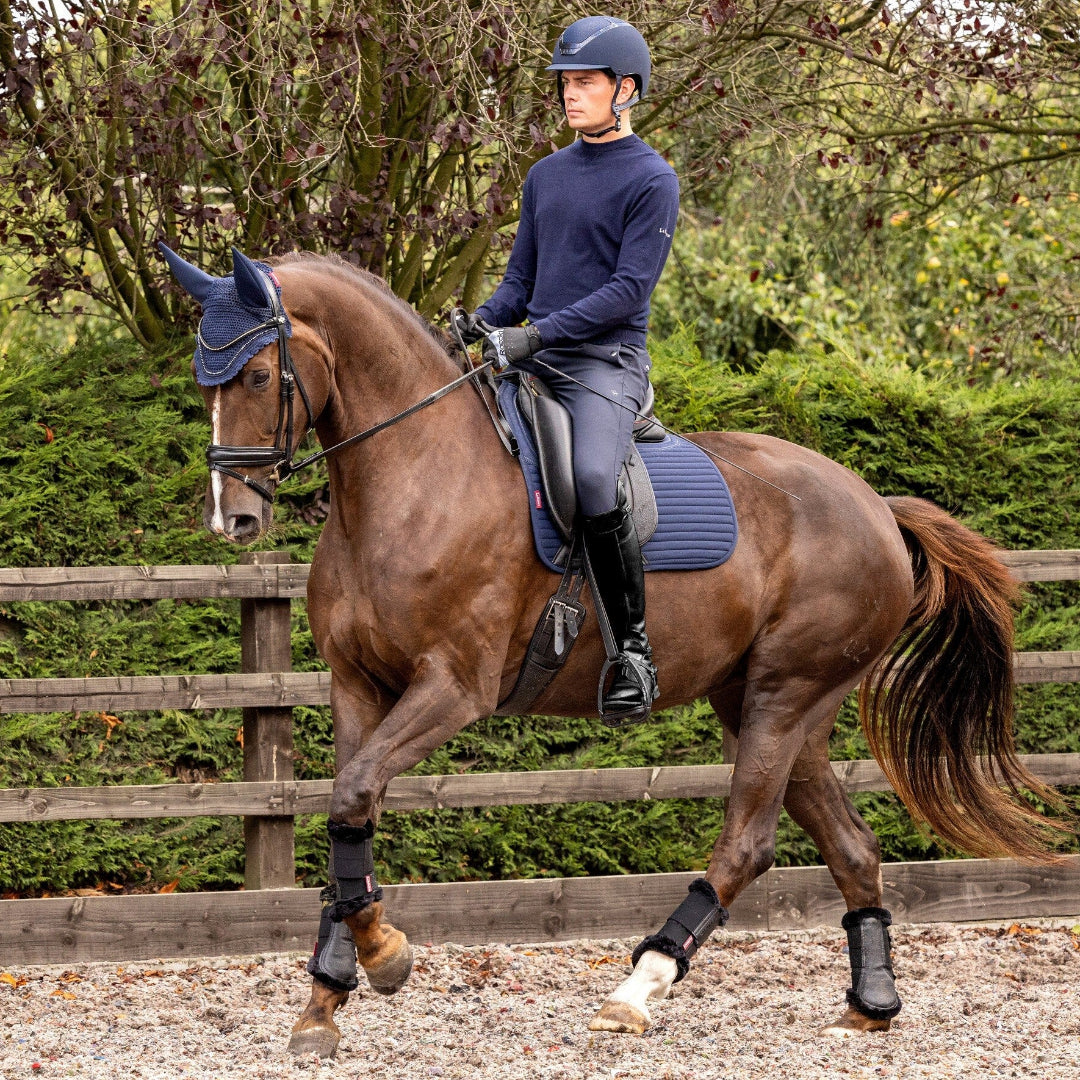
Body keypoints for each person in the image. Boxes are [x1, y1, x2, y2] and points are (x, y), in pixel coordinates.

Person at [453, 15, 679, 724]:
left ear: (626, 90)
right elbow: (521, 281)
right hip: (536, 356)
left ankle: (633, 654)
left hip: (605, 363)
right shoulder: (545, 176)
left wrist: (535, 336)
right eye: (565, 84)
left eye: (585, 82)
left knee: (591, 479)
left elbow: (627, 292)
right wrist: (482, 320)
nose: (570, 95)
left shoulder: (652, 179)